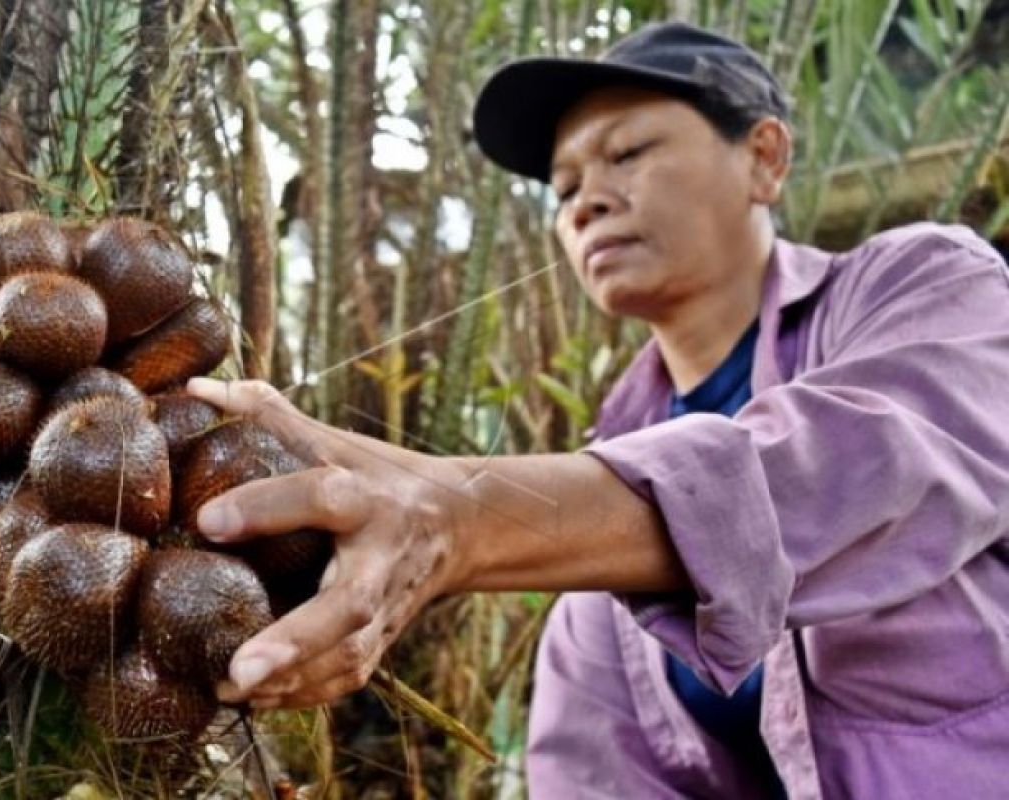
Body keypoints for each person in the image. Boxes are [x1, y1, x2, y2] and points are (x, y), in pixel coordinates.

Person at [186, 22, 1009, 799]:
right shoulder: (593, 558)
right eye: (566, 187)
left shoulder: (932, 288)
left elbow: (858, 466)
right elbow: (595, 770)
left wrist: (457, 514)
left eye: (628, 154)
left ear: (763, 158)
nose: (585, 203)